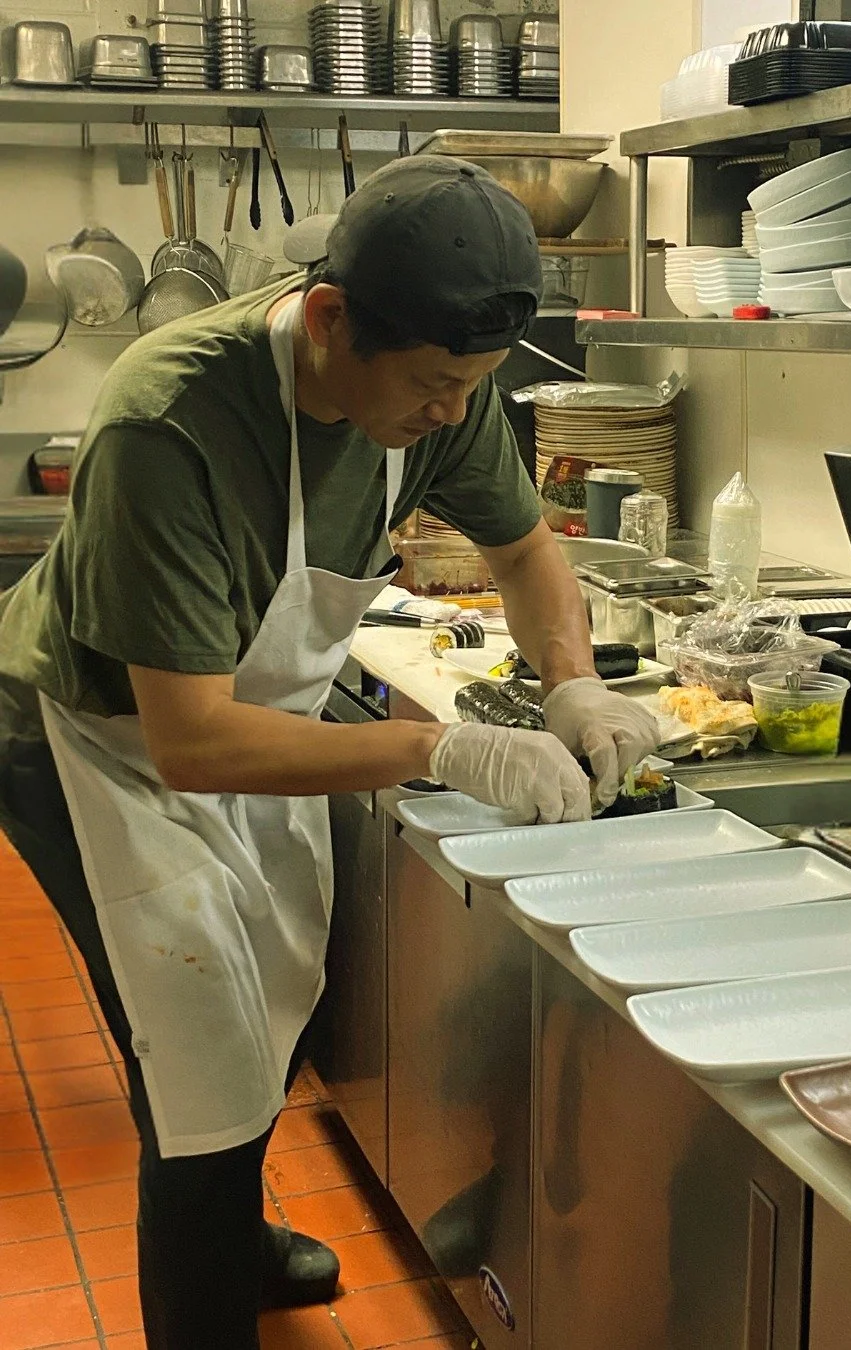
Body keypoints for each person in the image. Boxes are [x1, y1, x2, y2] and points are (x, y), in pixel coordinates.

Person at [0, 155, 658, 1347]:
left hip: (254, 724)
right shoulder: (171, 421)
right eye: (434, 384)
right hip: (96, 741)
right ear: (329, 319)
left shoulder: (438, 385)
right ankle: (207, 1298)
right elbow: (189, 739)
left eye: (475, 385)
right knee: (195, 1054)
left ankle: (237, 1233)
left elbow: (525, 552)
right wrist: (441, 749)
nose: (452, 412)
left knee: (281, 997)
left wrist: (575, 685)